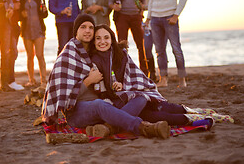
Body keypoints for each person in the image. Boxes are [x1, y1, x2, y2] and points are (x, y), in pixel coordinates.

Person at [42, 14, 171, 139]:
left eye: (91, 27)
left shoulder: (93, 53)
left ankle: (108, 128)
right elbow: (65, 99)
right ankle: (144, 128)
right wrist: (88, 81)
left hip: (104, 106)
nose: (87, 31)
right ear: (76, 31)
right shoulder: (67, 56)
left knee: (140, 97)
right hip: (77, 113)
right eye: (83, 27)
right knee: (99, 104)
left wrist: (119, 86)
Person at [90, 24, 214, 127]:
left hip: (134, 94)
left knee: (162, 106)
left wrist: (122, 84)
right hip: (121, 102)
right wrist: (114, 87)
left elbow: (132, 76)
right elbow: (100, 89)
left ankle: (196, 112)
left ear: (112, 39)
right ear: (93, 41)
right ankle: (194, 121)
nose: (102, 42)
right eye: (98, 38)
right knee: (152, 116)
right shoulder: (93, 60)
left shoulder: (121, 55)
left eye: (106, 38)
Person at [146, 0, 188, 88]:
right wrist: (148, 18)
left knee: (176, 49)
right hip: (155, 20)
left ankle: (182, 80)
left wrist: (176, 15)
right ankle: (163, 79)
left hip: (170, 18)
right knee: (159, 51)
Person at [108, 0, 148, 75]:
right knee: (121, 45)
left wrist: (142, 7)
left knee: (141, 45)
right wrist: (114, 6)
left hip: (136, 16)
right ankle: (123, 72)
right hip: (121, 17)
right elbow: (110, 2)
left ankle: (145, 73)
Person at [20, 0, 48, 88]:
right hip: (26, 30)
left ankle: (43, 81)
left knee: (40, 55)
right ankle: (31, 80)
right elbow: (18, 16)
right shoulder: (21, 0)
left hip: (38, 29)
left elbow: (45, 15)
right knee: (30, 56)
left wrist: (44, 10)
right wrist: (22, 14)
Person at [1, 0, 24, 91]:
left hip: (15, 24)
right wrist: (14, 6)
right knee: (10, 53)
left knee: (13, 53)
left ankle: (10, 80)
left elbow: (18, 5)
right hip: (7, 24)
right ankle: (9, 81)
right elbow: (9, 5)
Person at [143, 0, 158, 82]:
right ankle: (151, 73)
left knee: (159, 49)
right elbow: (147, 5)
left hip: (158, 21)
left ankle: (162, 74)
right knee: (147, 48)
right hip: (148, 23)